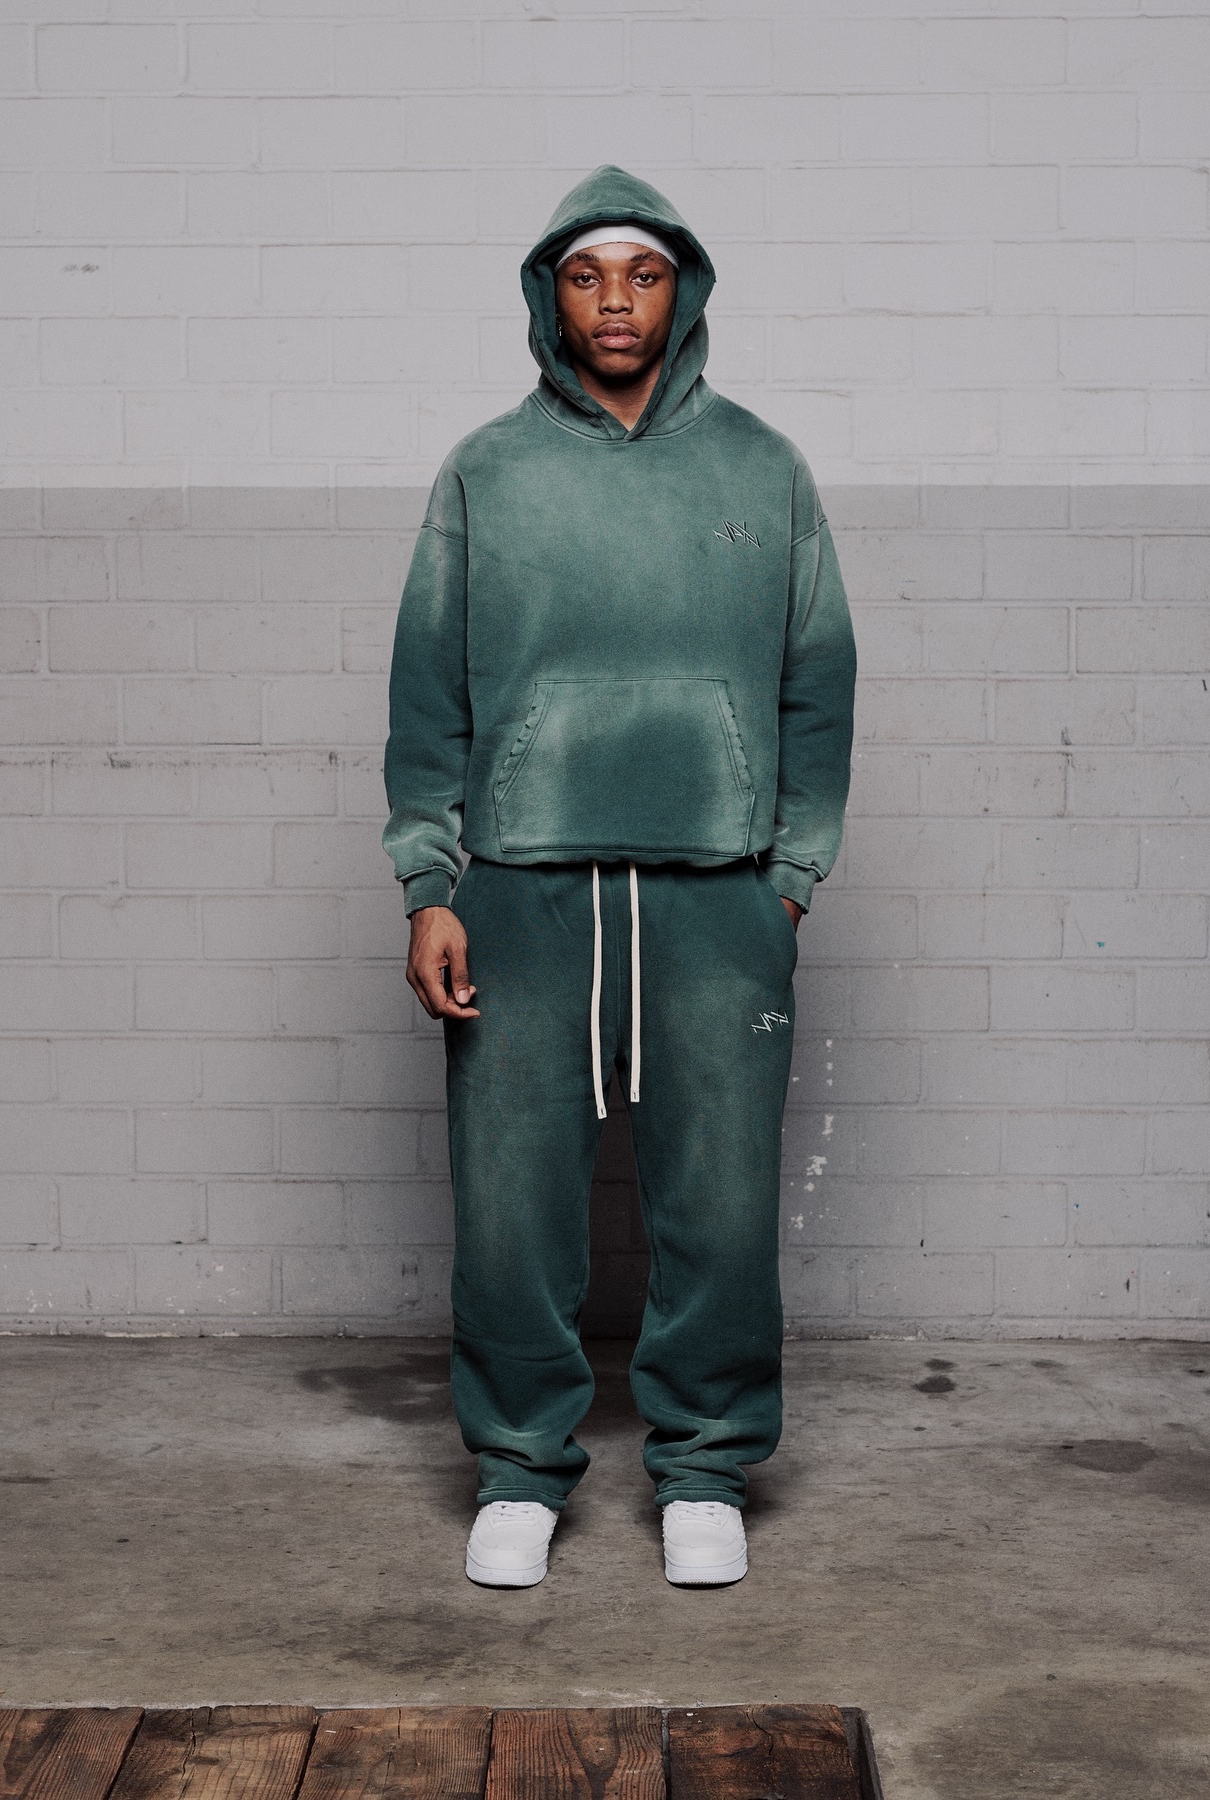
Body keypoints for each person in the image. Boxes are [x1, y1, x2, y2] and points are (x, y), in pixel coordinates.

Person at [382, 166, 856, 1589]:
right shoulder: (487, 470)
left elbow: (818, 683)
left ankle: (704, 1467)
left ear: (682, 291)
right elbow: (427, 696)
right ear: (550, 294)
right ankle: (519, 1470)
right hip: (523, 889)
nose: (614, 303)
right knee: (510, 1209)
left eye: (641, 275)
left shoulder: (764, 467)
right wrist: (430, 884)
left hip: (719, 896)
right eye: (586, 276)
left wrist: (790, 877)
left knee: (718, 1206)